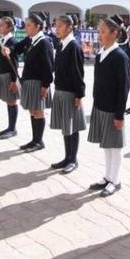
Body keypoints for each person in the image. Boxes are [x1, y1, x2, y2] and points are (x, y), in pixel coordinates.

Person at [87, 16, 130, 198]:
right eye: (99, 31)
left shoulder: (120, 56)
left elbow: (124, 87)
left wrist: (119, 114)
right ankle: (107, 176)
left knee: (115, 146)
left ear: (115, 34)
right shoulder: (100, 54)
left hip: (113, 109)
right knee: (106, 144)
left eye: (103, 31)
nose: (100, 35)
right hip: (101, 107)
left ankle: (116, 180)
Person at [3, 14, 53, 152]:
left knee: (38, 112)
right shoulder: (30, 40)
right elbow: (17, 48)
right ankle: (34, 139)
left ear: (38, 26)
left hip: (39, 83)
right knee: (32, 111)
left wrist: (45, 85)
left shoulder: (44, 42)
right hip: (29, 81)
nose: (26, 27)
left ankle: (39, 141)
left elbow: (49, 66)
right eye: (26, 25)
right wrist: (9, 49)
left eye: (29, 25)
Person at [49, 15, 86, 174]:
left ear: (69, 27)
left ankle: (73, 159)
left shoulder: (74, 46)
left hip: (71, 93)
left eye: (60, 26)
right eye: (56, 26)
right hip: (60, 90)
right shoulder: (61, 45)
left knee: (72, 127)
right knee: (65, 126)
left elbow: (78, 73)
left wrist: (79, 95)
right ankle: (66, 157)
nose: (56, 29)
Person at [0, 17, 20, 138]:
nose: (0, 27)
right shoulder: (3, 40)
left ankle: (12, 128)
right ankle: (10, 126)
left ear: (9, 28)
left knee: (11, 101)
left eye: (3, 25)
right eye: (0, 25)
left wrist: (14, 81)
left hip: (10, 76)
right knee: (8, 101)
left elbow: (15, 63)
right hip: (3, 74)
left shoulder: (12, 42)